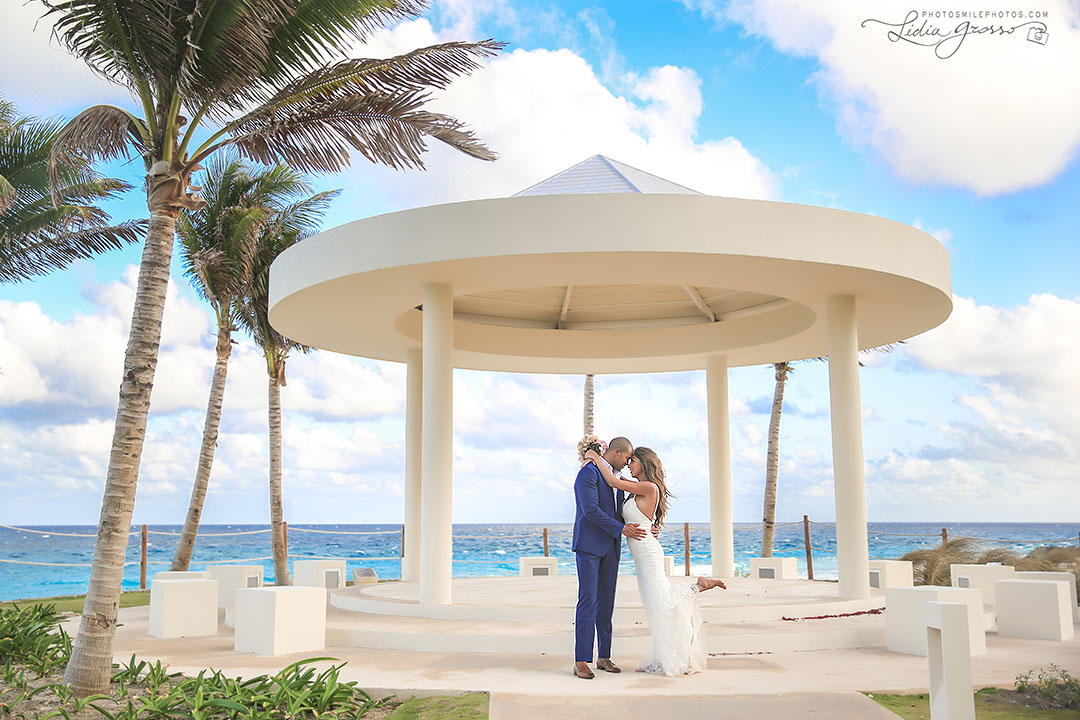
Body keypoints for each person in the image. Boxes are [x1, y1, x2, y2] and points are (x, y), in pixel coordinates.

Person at [584, 446, 727, 676]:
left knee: (663, 603)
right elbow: (625, 499)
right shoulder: (636, 489)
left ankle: (698, 586)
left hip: (648, 554)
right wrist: (650, 526)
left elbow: (611, 481)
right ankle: (661, 657)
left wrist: (594, 456)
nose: (629, 464)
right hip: (641, 555)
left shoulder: (649, 487)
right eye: (628, 461)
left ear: (644, 463)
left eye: (632, 460)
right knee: (655, 607)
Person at [572, 436, 645, 680]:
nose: (628, 463)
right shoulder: (588, 473)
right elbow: (590, 510)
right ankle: (581, 660)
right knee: (588, 601)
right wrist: (621, 529)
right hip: (589, 546)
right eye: (627, 457)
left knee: (606, 604)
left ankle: (604, 656)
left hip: (611, 548)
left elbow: (620, 511)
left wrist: (647, 526)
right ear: (616, 452)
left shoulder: (615, 477)